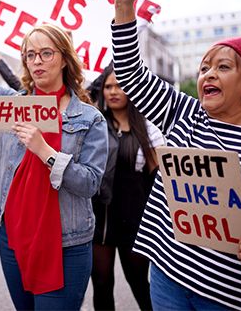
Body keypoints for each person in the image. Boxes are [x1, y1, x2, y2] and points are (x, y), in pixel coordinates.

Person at [112, 0, 241, 310]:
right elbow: (130, 74)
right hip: (168, 280)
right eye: (204, 68)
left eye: (223, 67)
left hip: (231, 295)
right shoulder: (188, 115)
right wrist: (124, 7)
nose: (208, 75)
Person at [0, 0, 108, 310]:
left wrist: (45, 150)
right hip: (13, 237)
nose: (37, 61)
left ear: (65, 58)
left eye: (46, 53)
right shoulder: (14, 105)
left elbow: (90, 184)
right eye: (30, 55)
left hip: (65, 244)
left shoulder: (90, 118)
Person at [89, 62, 164, 310]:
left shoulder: (148, 128)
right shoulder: (95, 125)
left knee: (140, 284)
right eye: (108, 86)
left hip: (136, 223)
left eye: (120, 85)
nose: (113, 91)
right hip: (101, 221)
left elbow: (160, 178)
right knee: (101, 284)